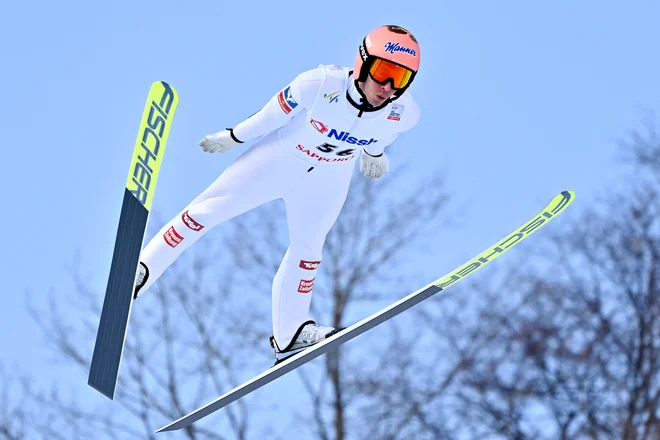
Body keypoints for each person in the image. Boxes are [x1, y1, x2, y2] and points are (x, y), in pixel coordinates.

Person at [133, 25, 422, 359]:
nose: (387, 87)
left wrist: (375, 154)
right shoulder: (319, 84)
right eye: (383, 72)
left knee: (310, 249)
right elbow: (270, 116)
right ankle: (142, 270)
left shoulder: (404, 112)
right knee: (207, 211)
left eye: (400, 79)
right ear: (362, 63)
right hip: (279, 160)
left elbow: (385, 134)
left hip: (328, 179)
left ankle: (291, 333)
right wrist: (233, 136)